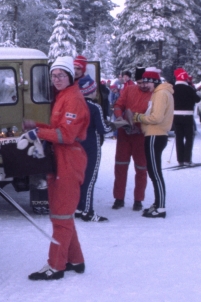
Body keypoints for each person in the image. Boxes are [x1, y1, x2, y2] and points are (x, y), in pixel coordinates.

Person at [23, 56, 89, 281]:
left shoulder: (73, 99)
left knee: (61, 215)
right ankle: (75, 260)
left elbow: (66, 134)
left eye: (61, 75)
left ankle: (56, 266)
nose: (57, 79)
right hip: (60, 157)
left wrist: (39, 133)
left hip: (68, 159)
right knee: (64, 215)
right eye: (54, 75)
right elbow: (56, 127)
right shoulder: (63, 96)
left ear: (70, 76)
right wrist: (37, 126)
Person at [131, 68, 174, 218]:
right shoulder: (159, 93)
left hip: (155, 135)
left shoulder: (161, 94)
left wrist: (138, 117)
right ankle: (157, 203)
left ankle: (160, 207)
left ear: (153, 81)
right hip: (155, 135)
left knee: (155, 173)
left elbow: (156, 118)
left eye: (146, 82)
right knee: (153, 171)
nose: (144, 85)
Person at [73, 55, 111, 222]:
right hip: (91, 146)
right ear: (90, 91)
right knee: (90, 179)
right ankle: (88, 211)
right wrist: (117, 125)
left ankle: (79, 209)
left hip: (77, 145)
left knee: (80, 179)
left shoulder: (74, 105)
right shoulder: (95, 107)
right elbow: (104, 130)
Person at [111, 70, 153, 211]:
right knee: (120, 166)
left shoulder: (154, 94)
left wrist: (140, 122)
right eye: (140, 82)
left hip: (141, 135)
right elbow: (118, 105)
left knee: (141, 168)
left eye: (145, 83)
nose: (143, 85)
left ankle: (138, 200)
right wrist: (119, 117)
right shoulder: (129, 89)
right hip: (125, 133)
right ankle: (119, 198)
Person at [172, 67, 201, 166]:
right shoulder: (189, 88)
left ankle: (180, 160)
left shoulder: (173, 89)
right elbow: (197, 99)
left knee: (179, 137)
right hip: (188, 115)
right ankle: (187, 159)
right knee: (189, 137)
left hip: (175, 115)